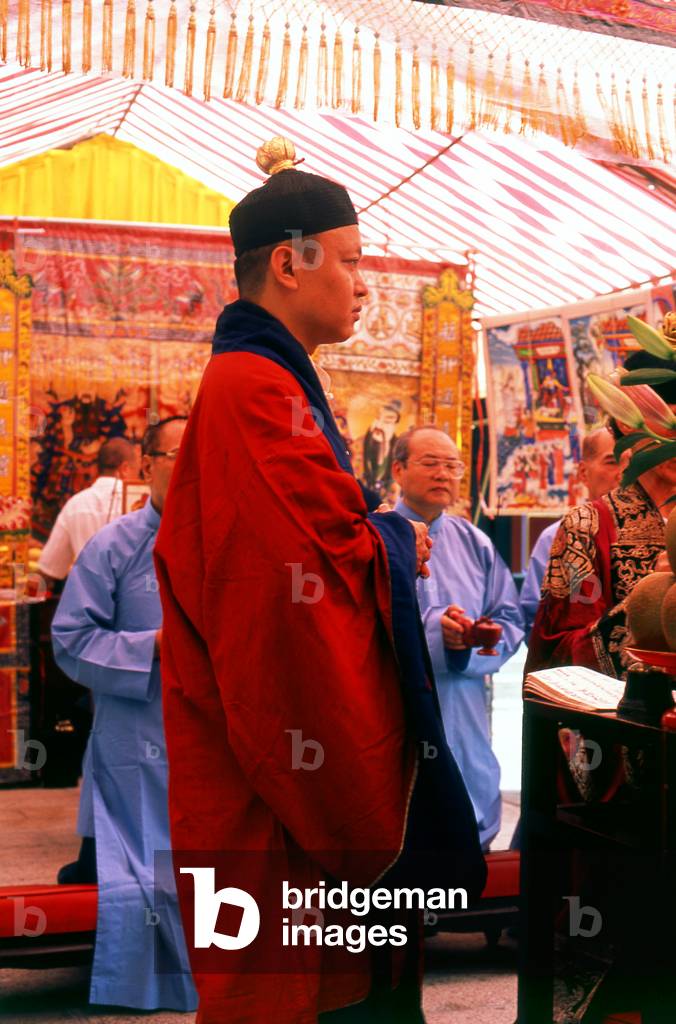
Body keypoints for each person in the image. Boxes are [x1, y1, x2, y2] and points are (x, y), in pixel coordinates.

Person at [154, 137, 486, 1024]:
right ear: (289, 263)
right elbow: (290, 573)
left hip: (269, 741)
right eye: (349, 261)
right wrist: (387, 540)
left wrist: (377, 540)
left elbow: (324, 539)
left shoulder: (272, 382)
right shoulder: (254, 389)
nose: (362, 283)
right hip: (265, 754)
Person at [51, 417, 197, 1012]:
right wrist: (152, 647)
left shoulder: (236, 542)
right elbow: (70, 639)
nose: (190, 465)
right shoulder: (115, 544)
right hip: (137, 740)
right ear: (144, 465)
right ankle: (151, 983)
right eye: (175, 453)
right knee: (139, 873)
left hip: (216, 738)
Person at [393, 425, 524, 850]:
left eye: (452, 466)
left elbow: (509, 618)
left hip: (463, 704)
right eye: (430, 463)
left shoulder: (476, 543)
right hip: (395, 704)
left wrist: (469, 644)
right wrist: (436, 633)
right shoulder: (376, 537)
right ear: (398, 469)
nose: (443, 474)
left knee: (468, 818)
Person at [525, 351, 676, 679]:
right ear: (627, 423)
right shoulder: (587, 525)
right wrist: (647, 602)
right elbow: (557, 658)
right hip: (634, 722)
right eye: (670, 424)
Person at [520, 427, 623, 637]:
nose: (623, 473)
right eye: (612, 462)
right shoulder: (560, 536)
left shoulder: (660, 529)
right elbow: (535, 620)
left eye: (631, 462)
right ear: (584, 473)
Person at [38, 436, 140, 585]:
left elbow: (50, 568)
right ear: (125, 469)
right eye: (137, 471)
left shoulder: (75, 505)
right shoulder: (139, 502)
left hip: (88, 598)